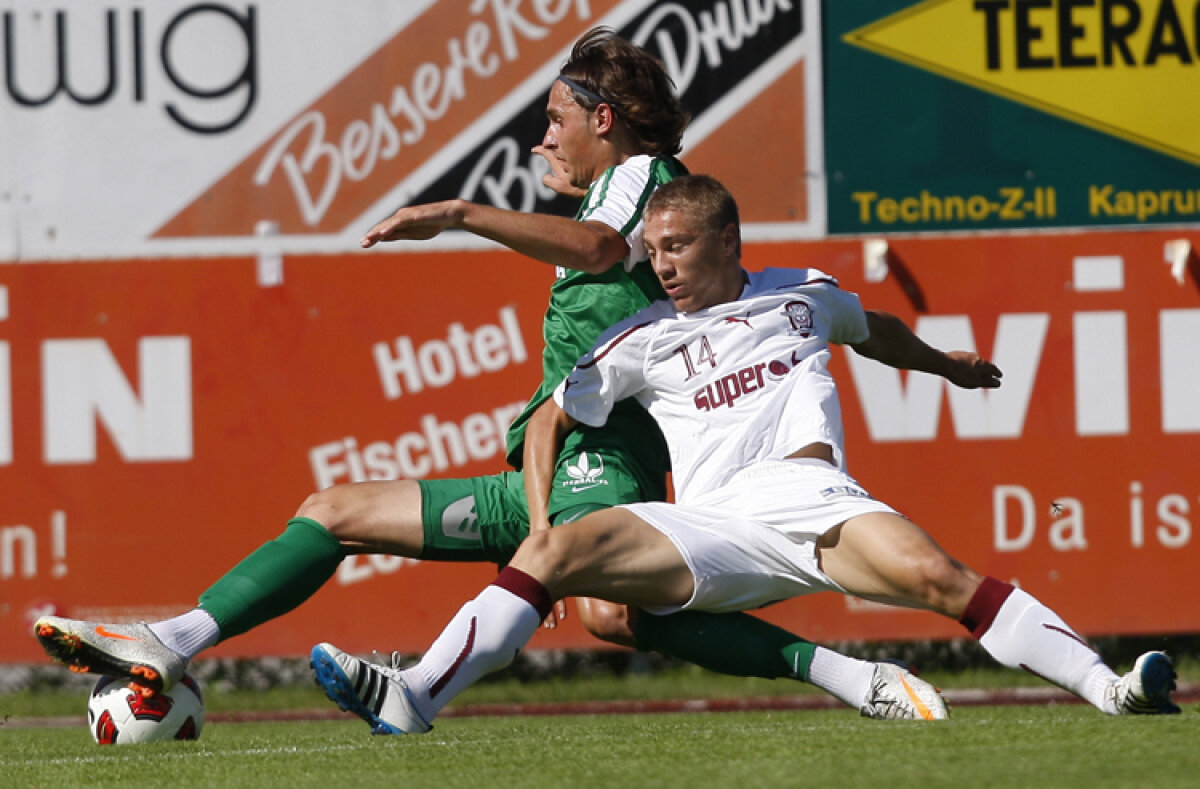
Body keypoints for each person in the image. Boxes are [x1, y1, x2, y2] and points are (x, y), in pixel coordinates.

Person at [33, 29, 947, 720]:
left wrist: (462, 212)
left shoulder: (641, 175)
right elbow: (594, 239)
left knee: (609, 612)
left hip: (605, 462)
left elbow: (597, 246)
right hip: (552, 465)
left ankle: (414, 691)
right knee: (335, 512)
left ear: (604, 119)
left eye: (556, 116)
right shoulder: (608, 187)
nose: (542, 132)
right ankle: (175, 641)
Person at [309, 174, 1179, 735]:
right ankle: (415, 693)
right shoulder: (640, 337)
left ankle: (1113, 689)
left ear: (729, 241)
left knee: (944, 579)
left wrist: (946, 365)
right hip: (707, 526)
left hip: (813, 502)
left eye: (678, 248)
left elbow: (876, 330)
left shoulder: (802, 297)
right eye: (654, 253)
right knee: (555, 552)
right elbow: (548, 421)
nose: (665, 267)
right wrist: (538, 516)